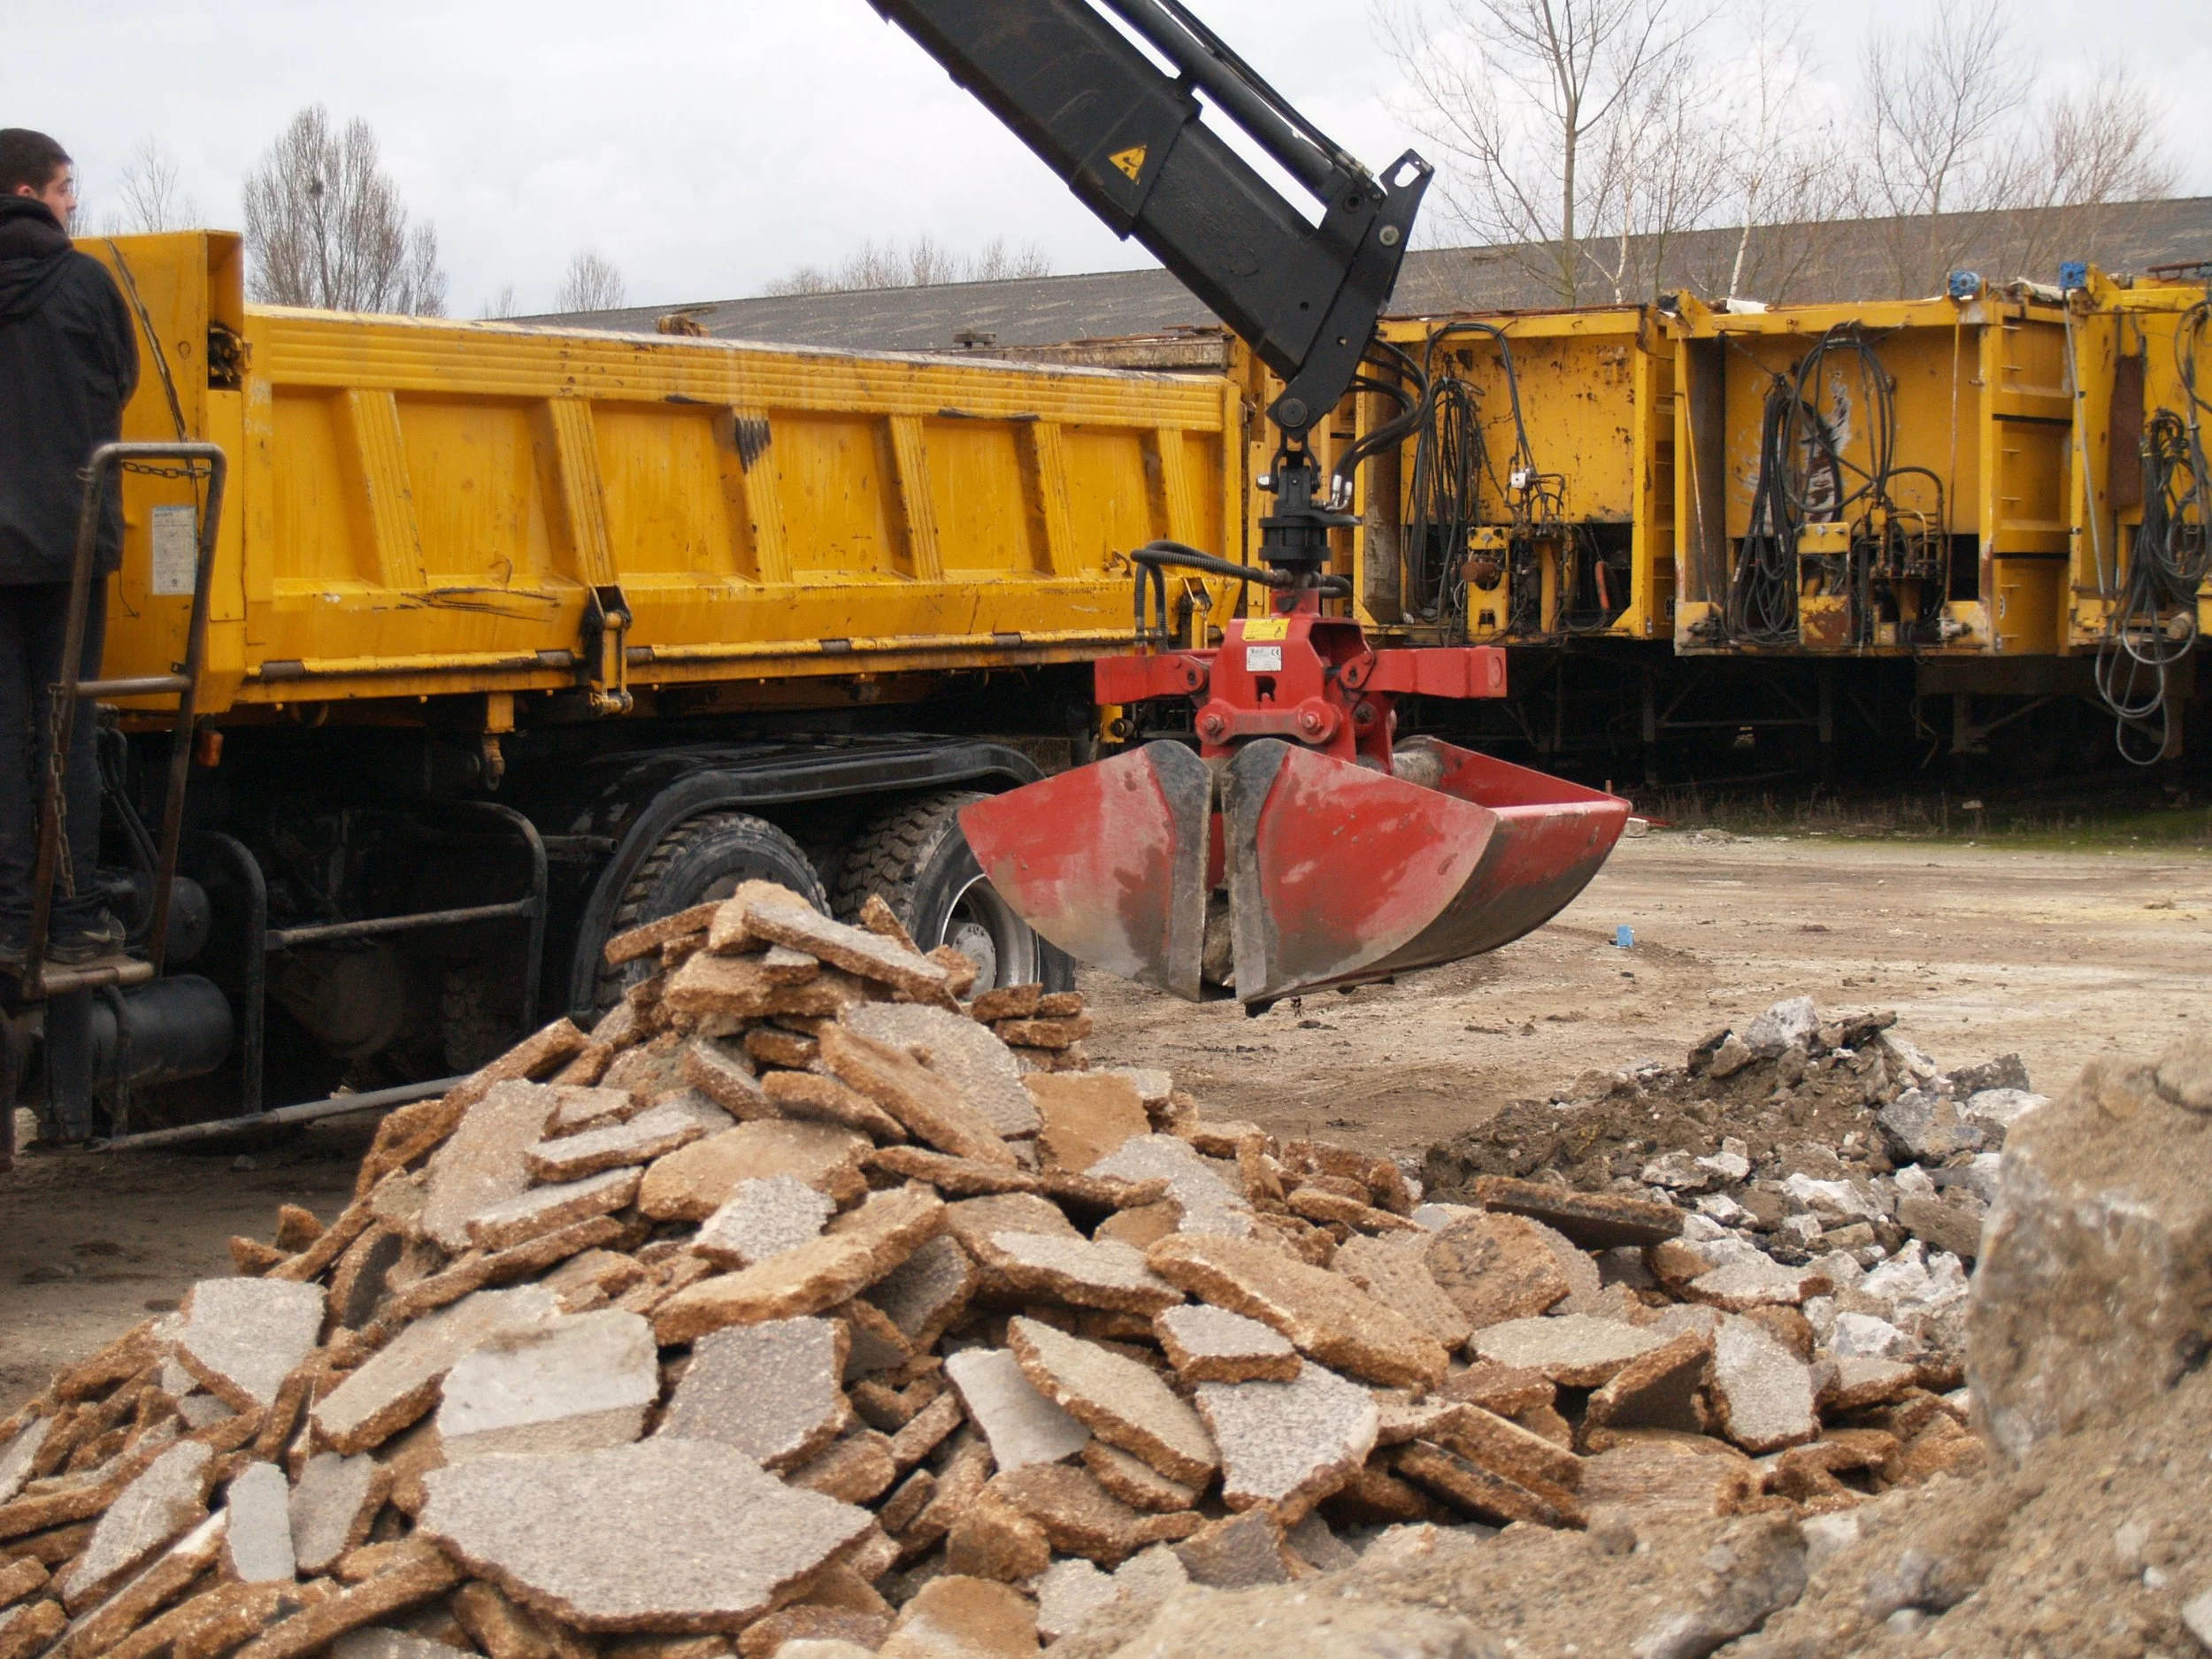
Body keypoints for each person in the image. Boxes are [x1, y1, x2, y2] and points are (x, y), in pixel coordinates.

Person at [0, 128, 138, 972]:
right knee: (64, 733)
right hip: (67, 543)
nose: (72, 203)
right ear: (28, 195)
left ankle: (11, 922)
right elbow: (119, 380)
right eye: (63, 189)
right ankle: (73, 915)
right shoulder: (84, 283)